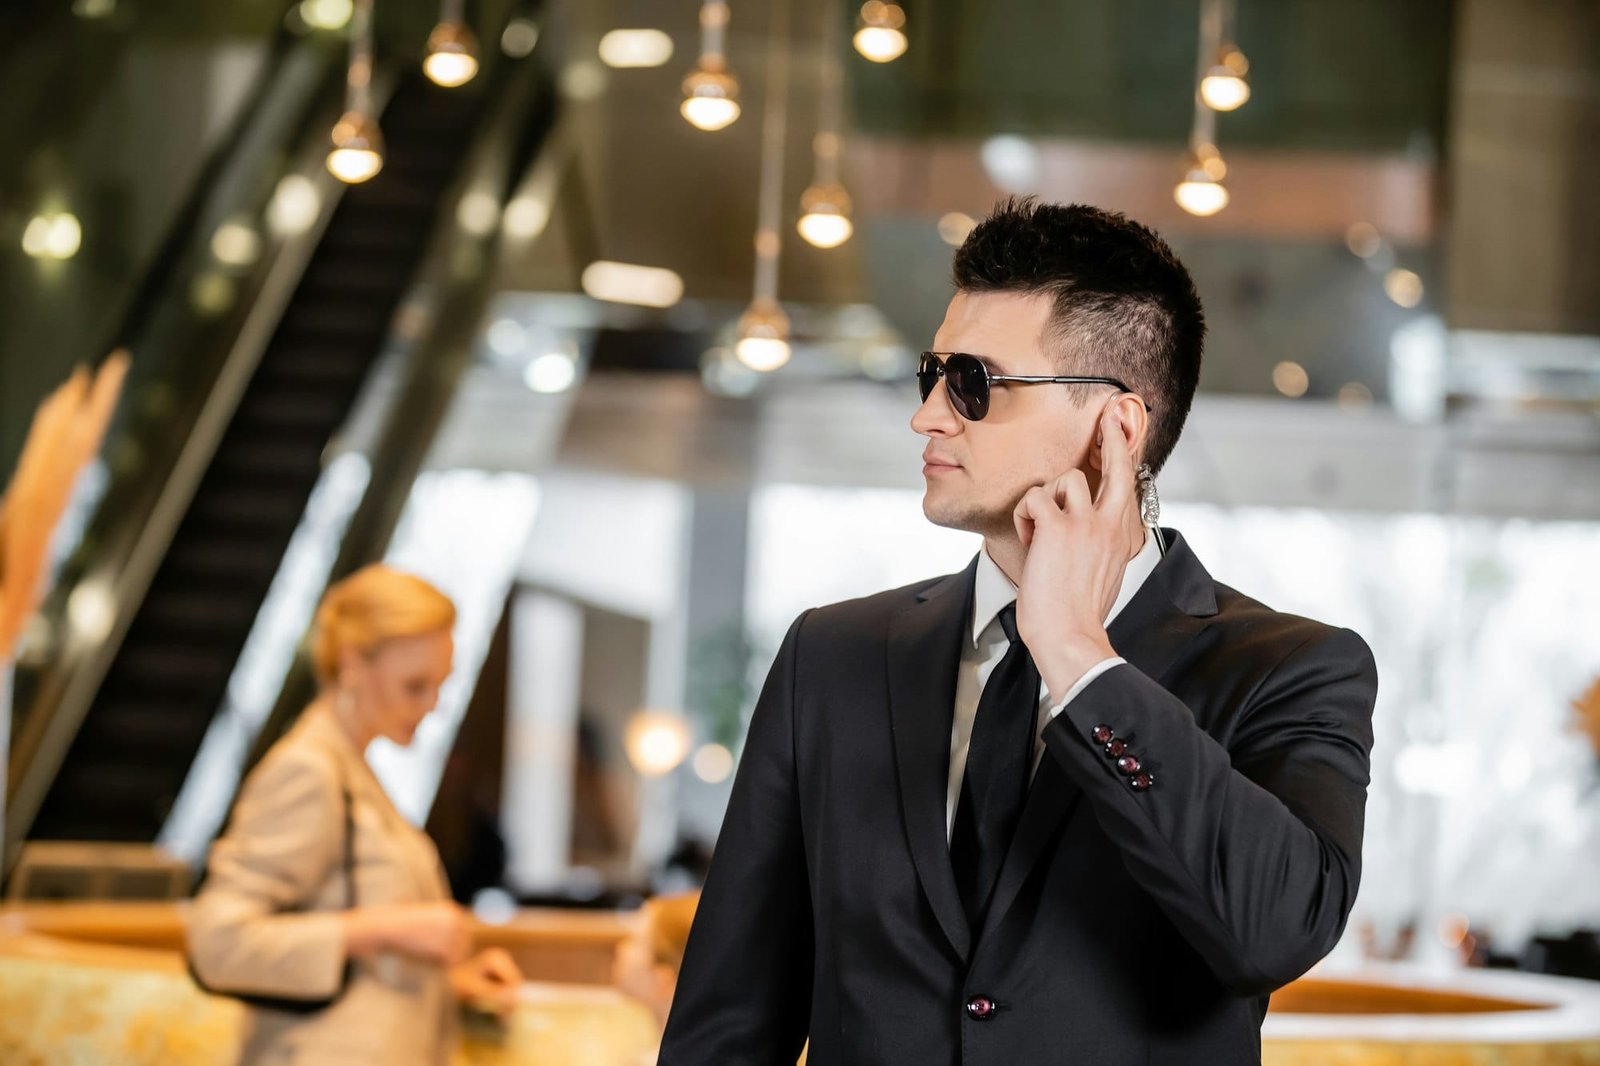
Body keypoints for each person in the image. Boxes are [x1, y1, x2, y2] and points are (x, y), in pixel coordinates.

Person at [659, 199, 1379, 1065]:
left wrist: (1077, 655)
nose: (927, 415)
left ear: (1115, 429)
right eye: (932, 373)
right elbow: (729, 1021)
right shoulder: (834, 657)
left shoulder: (1289, 669)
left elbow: (1274, 931)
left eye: (973, 382)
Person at [187, 565, 522, 1065]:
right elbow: (218, 943)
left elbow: (354, 961)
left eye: (440, 686)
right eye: (415, 686)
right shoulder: (307, 771)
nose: (432, 705)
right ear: (352, 665)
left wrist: (447, 980)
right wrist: (387, 928)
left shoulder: (352, 773)